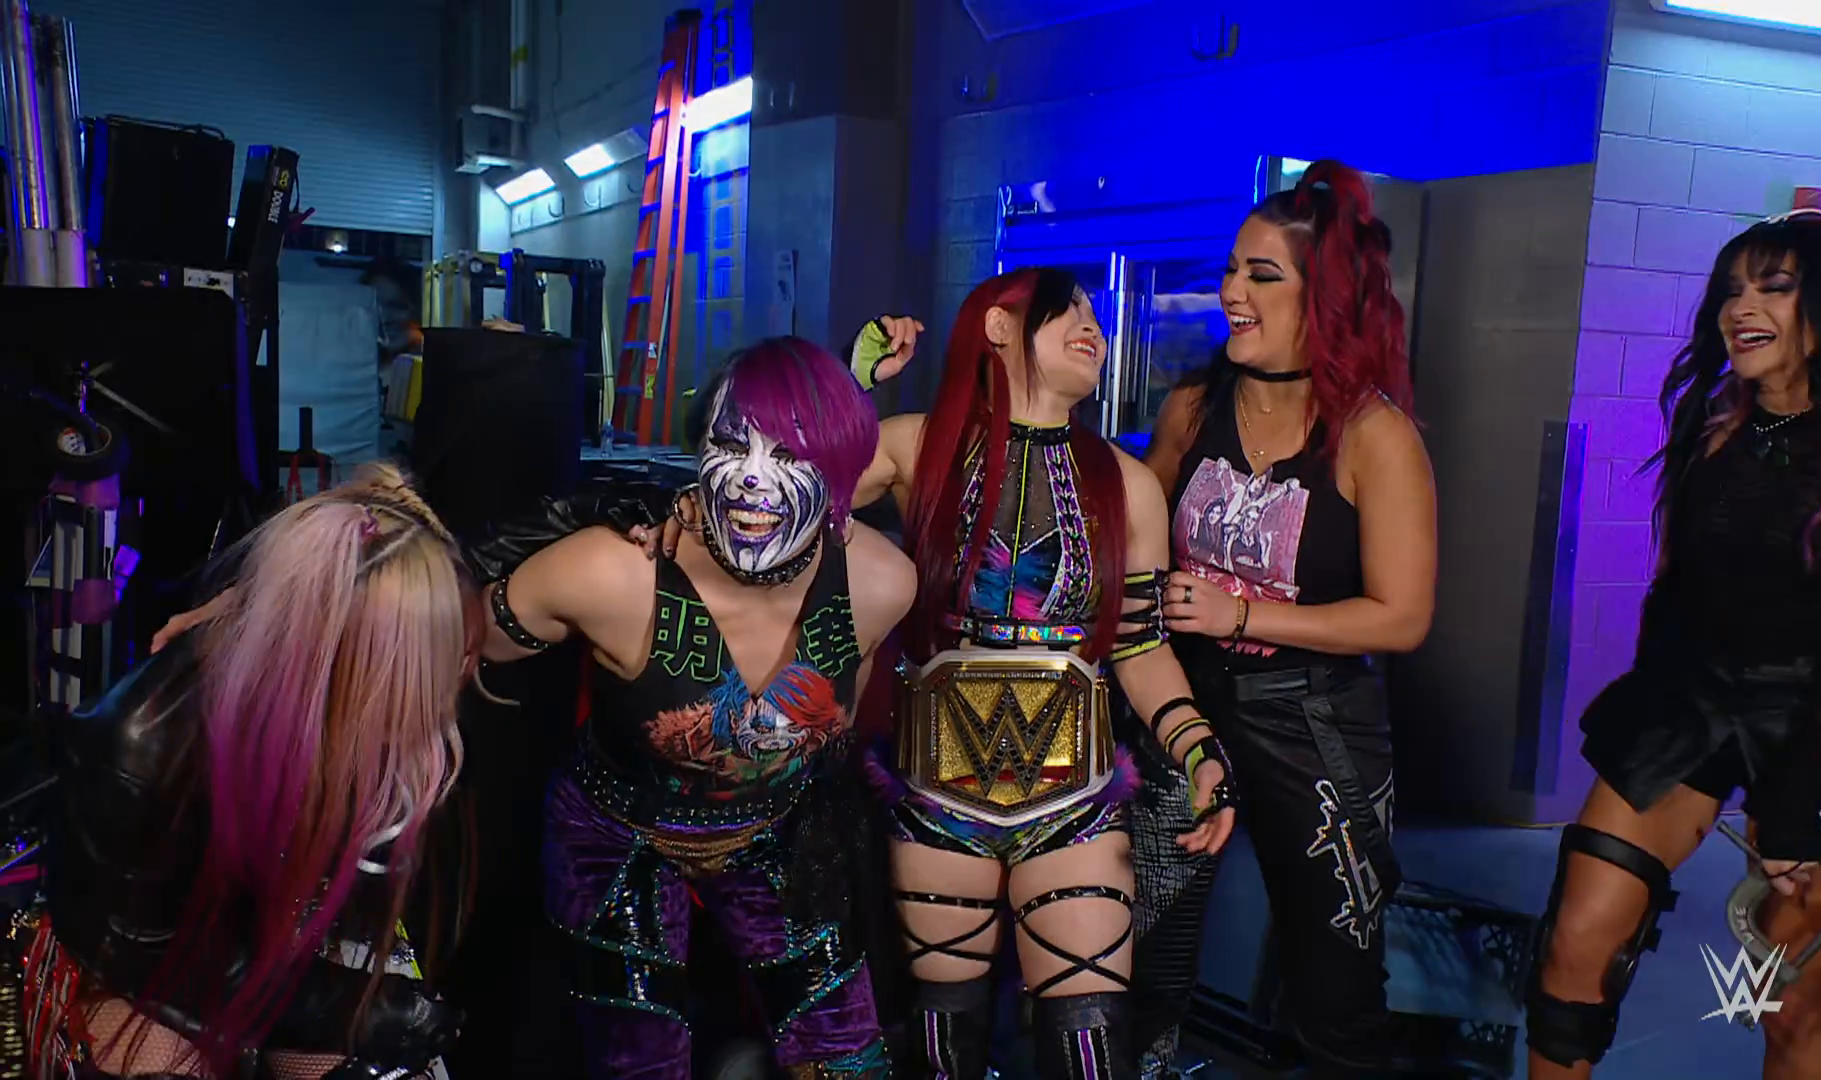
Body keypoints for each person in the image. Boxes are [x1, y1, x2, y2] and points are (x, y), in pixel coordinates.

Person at [728, 269, 1239, 1080]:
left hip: (1074, 797)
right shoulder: (916, 444)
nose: (1093, 326)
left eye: (1097, 315)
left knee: (1089, 1042)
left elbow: (1139, 648)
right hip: (938, 795)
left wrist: (1199, 749)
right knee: (945, 1045)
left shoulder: (1130, 484)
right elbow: (776, 497)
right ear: (998, 327)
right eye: (1067, 309)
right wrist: (852, 386)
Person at [1525, 208, 1821, 1080]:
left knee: (1786, 1005)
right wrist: (1649, 715)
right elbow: (1674, 593)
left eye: (1773, 288)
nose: (1740, 308)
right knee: (1572, 952)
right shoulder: (1720, 422)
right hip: (1688, 704)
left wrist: (1794, 811)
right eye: (1731, 290)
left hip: (1813, 725)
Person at [481, 337, 917, 1080]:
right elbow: (460, 635)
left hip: (772, 828)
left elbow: (834, 731)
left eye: (790, 454)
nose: (750, 478)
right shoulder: (614, 572)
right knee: (642, 1064)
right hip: (614, 835)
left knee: (848, 1061)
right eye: (730, 445)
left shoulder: (880, 583)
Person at [26, 465, 472, 1080]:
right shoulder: (141, 746)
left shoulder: (384, 674)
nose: (439, 695)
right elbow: (147, 958)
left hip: (302, 921)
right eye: (408, 673)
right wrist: (349, 1011)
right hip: (154, 960)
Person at [1140, 159, 1437, 1078]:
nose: (1232, 291)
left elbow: (1402, 618)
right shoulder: (1193, 408)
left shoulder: (1374, 436)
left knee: (1335, 992)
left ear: (1327, 298)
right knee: (1143, 954)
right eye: (1232, 270)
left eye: (1262, 275)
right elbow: (1129, 537)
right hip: (1180, 707)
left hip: (1313, 728)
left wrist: (1240, 612)